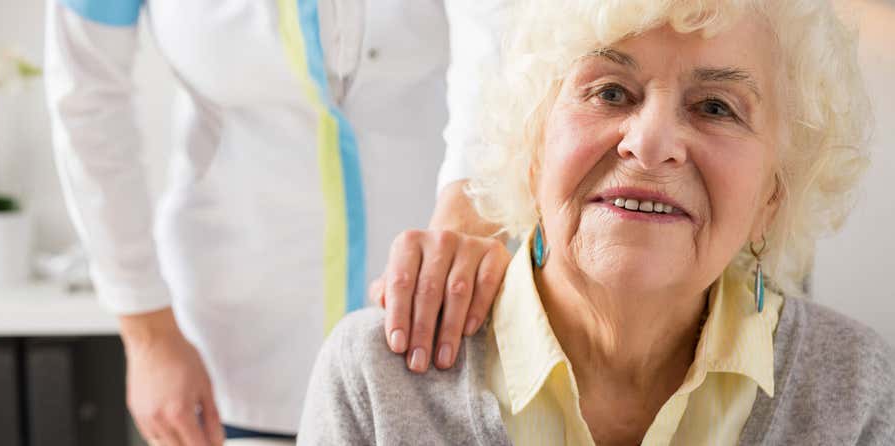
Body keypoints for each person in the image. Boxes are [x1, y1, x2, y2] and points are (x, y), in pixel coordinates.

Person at [298, 0, 895, 444]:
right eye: (610, 92)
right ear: (532, 145)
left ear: (774, 193)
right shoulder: (379, 379)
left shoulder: (856, 391)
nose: (651, 141)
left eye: (715, 107)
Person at [44, 0, 512, 444]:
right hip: (237, 329)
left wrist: (472, 205)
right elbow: (85, 99)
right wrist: (147, 335)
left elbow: (502, 30)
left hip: (447, 310)